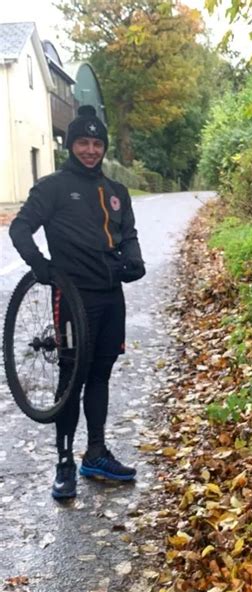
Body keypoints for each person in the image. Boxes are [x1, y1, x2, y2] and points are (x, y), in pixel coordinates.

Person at [9, 105, 146, 500]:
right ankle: (64, 463)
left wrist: (133, 260)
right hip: (72, 299)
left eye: (96, 143)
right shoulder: (52, 187)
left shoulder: (117, 192)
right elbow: (20, 229)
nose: (90, 150)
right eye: (82, 143)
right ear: (70, 145)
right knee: (71, 380)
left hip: (110, 298)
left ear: (103, 146)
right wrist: (40, 267)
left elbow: (128, 234)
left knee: (101, 373)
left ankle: (96, 453)